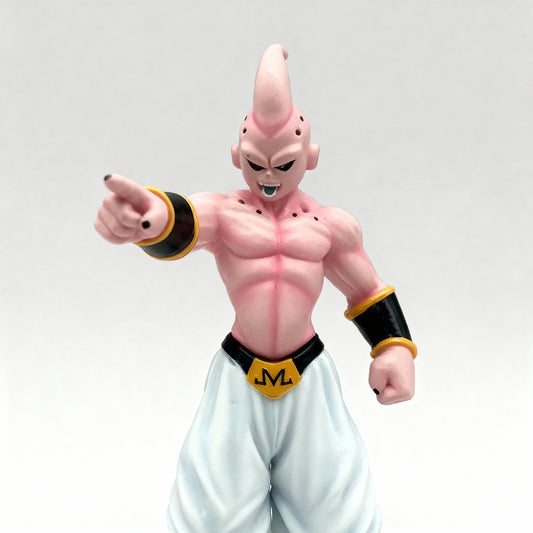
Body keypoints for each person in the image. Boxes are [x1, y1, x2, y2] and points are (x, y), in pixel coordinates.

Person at [95, 44, 416, 533]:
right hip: (239, 376)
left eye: (283, 164)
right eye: (255, 162)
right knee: (215, 513)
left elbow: (367, 289)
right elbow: (183, 221)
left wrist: (393, 347)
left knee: (334, 510)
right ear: (236, 156)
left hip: (308, 375)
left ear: (309, 158)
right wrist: (151, 219)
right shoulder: (225, 214)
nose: (267, 176)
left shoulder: (330, 226)